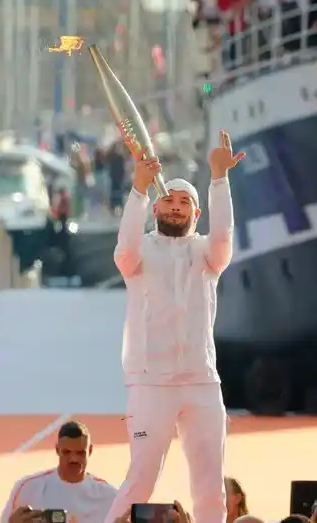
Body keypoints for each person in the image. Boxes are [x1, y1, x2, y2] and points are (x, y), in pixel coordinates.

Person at [103, 130, 246, 523]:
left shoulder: (206, 255)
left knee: (210, 486)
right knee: (141, 480)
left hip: (201, 382)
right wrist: (138, 189)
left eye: (185, 203)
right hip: (150, 383)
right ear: (155, 209)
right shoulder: (139, 254)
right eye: (168, 200)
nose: (176, 208)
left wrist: (220, 180)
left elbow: (224, 240)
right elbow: (125, 251)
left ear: (196, 215)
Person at [0, 421, 118, 523]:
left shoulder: (109, 497)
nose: (74, 459)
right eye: (67, 452)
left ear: (90, 450)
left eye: (80, 453)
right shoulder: (28, 488)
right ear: (57, 450)